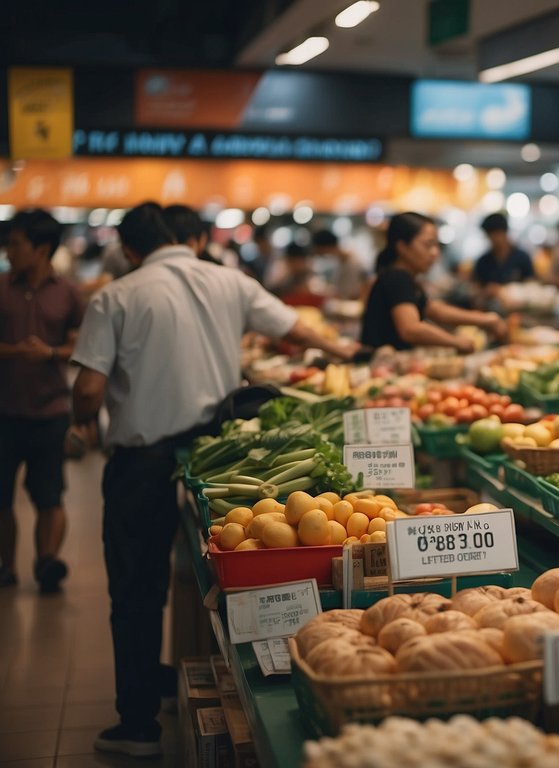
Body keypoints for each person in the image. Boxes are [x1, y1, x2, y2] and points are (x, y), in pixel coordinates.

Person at [69, 202, 352, 757]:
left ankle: (139, 723)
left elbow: (87, 391)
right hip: (220, 458)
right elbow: (297, 329)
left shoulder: (118, 294)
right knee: (217, 576)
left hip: (144, 462)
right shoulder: (229, 280)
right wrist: (354, 353)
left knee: (137, 585)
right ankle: (214, 687)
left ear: (129, 248)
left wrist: (84, 426)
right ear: (182, 238)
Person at [0, 209, 83, 593]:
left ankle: (46, 563)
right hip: (4, 411)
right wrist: (14, 351)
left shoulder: (68, 292)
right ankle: (6, 567)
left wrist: (50, 353)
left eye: (16, 243)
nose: (9, 250)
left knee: (49, 494)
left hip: (51, 411)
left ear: (42, 247)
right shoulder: (1, 286)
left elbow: (80, 346)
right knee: (1, 497)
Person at [361, 212, 506, 351]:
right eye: (428, 245)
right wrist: (456, 342)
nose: (435, 252)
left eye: (436, 245)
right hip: (378, 368)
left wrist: (486, 319)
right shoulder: (398, 277)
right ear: (402, 247)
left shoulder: (406, 278)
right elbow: (410, 329)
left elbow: (436, 311)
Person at [473, 213, 535, 300]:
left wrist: (503, 290)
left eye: (496, 234)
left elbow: (532, 287)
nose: (493, 239)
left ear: (504, 232)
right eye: (489, 235)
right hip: (489, 309)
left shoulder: (522, 258)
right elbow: (476, 291)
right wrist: (484, 292)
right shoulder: (483, 262)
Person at [311, 229, 366, 300]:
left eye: (320, 251)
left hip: (350, 306)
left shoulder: (353, 263)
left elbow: (352, 293)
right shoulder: (341, 261)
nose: (321, 255)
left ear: (326, 248)